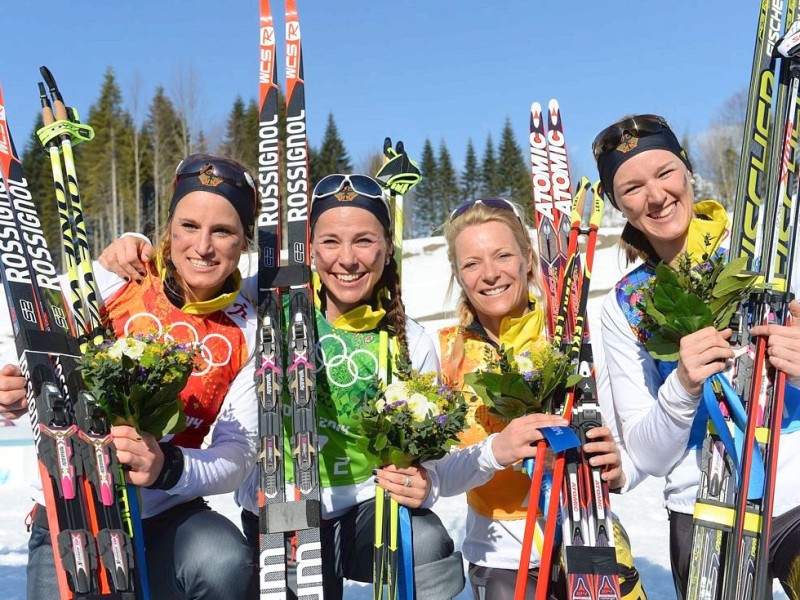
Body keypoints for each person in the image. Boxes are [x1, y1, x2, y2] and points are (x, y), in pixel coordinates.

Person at [97, 172, 465, 600]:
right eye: (330, 241)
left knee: (426, 541)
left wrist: (427, 483)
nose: (347, 259)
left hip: (365, 512)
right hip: (280, 510)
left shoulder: (411, 342)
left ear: (387, 246)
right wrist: (130, 242)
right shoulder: (267, 300)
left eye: (364, 240)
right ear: (310, 248)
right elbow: (203, 278)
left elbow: (429, 459)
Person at [0, 154, 260, 599]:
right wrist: (11, 384)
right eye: (188, 226)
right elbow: (26, 330)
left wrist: (167, 467)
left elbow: (239, 452)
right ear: (169, 227)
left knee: (222, 560)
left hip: (168, 517)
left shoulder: (248, 327)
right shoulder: (119, 275)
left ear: (243, 242)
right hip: (74, 506)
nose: (203, 246)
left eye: (223, 231)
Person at [593, 113, 800, 598]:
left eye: (665, 172)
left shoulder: (770, 254)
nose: (656, 196)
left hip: (794, 496)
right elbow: (644, 453)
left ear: (687, 169)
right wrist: (682, 385)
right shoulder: (626, 306)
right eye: (632, 188)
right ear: (616, 204)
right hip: (702, 510)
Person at [422, 197, 647, 599]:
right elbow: (438, 477)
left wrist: (620, 464)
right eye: (472, 264)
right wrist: (496, 449)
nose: (490, 274)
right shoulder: (447, 355)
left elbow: (633, 438)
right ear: (458, 275)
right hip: (501, 553)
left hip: (584, 528)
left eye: (503, 255)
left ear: (529, 258)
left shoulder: (573, 339)